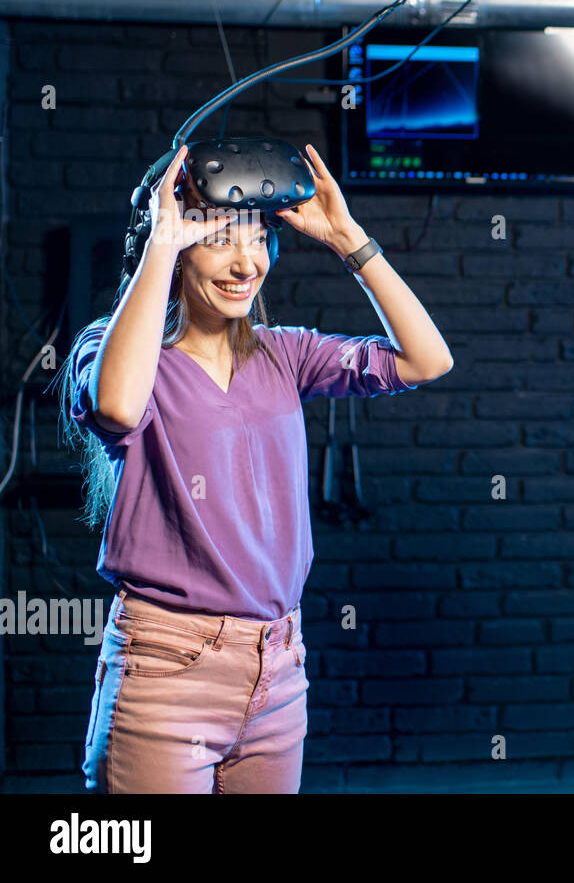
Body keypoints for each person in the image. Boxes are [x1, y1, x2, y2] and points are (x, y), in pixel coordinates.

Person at [58, 142, 453, 793]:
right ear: (176, 242)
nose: (249, 263)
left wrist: (350, 238)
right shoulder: (109, 351)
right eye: (219, 240)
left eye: (261, 238)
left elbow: (426, 359)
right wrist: (158, 244)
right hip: (165, 672)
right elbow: (119, 406)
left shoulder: (285, 353)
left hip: (278, 671)